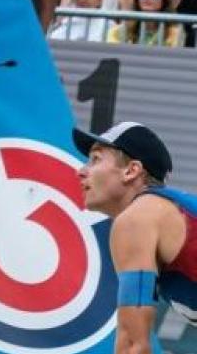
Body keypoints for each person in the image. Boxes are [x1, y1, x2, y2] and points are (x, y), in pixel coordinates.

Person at [74, 123, 197, 352]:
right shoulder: (165, 211)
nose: (81, 170)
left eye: (96, 159)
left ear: (131, 171)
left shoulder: (137, 220)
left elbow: (133, 344)